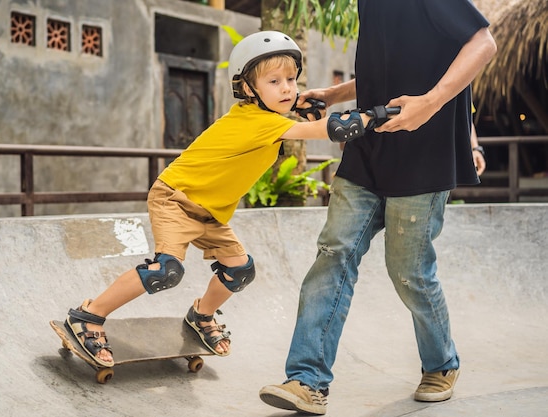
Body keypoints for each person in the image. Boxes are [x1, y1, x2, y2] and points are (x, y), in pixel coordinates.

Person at [62, 30, 384, 367]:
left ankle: (201, 315)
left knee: (239, 269)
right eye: (274, 81)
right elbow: (330, 129)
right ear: (248, 89)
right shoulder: (257, 122)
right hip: (175, 198)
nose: (287, 88)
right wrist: (376, 115)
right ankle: (88, 315)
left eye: (291, 79)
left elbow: (288, 121)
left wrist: (302, 107)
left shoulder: (269, 120)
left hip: (208, 212)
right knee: (165, 270)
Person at [259, 1, 497, 415]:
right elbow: (389, 66)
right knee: (334, 254)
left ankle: (442, 363)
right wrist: (336, 94)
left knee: (409, 271)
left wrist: (431, 102)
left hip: (426, 153)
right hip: (369, 146)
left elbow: (483, 41)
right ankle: (306, 380)